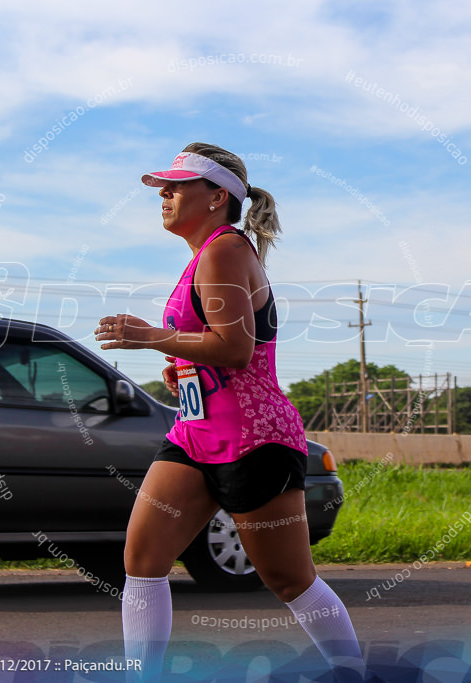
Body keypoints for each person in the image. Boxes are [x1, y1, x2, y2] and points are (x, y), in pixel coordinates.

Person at [94, 143, 366, 681]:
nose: (164, 195)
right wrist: (181, 366)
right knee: (142, 561)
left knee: (290, 579)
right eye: (162, 187)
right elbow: (216, 345)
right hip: (195, 435)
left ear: (217, 196)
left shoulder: (225, 249)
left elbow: (236, 349)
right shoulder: (202, 257)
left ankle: (354, 672)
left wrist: (151, 338)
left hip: (253, 439)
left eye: (176, 186)